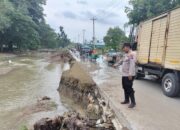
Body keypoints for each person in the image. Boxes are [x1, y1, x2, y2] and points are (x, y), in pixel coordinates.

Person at [114, 43, 137, 108]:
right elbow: (121, 61)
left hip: (129, 75)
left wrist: (130, 74)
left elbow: (132, 65)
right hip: (124, 74)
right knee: (125, 87)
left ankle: (133, 102)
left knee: (129, 88)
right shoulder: (126, 55)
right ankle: (126, 100)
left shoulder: (132, 54)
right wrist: (116, 65)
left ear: (127, 47)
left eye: (124, 48)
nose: (123, 49)